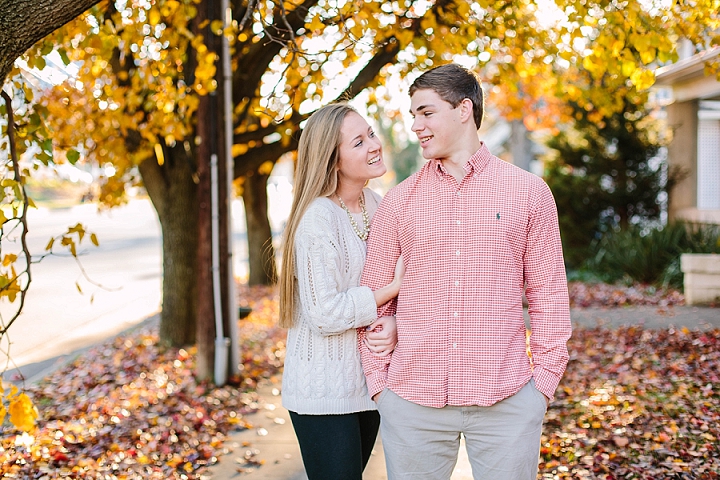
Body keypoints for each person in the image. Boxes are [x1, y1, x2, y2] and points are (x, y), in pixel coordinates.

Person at [359, 63, 572, 479]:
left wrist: (543, 386)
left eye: (426, 112)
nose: (416, 126)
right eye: (413, 115)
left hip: (507, 402)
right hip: (412, 402)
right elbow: (375, 293)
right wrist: (380, 385)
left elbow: (548, 293)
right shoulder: (398, 202)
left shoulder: (529, 193)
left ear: (463, 109)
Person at [278, 102, 403, 479]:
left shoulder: (377, 206)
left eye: (371, 134)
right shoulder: (318, 217)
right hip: (323, 392)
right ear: (333, 161)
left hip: (367, 382)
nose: (374, 145)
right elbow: (324, 314)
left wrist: (394, 317)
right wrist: (388, 291)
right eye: (358, 142)